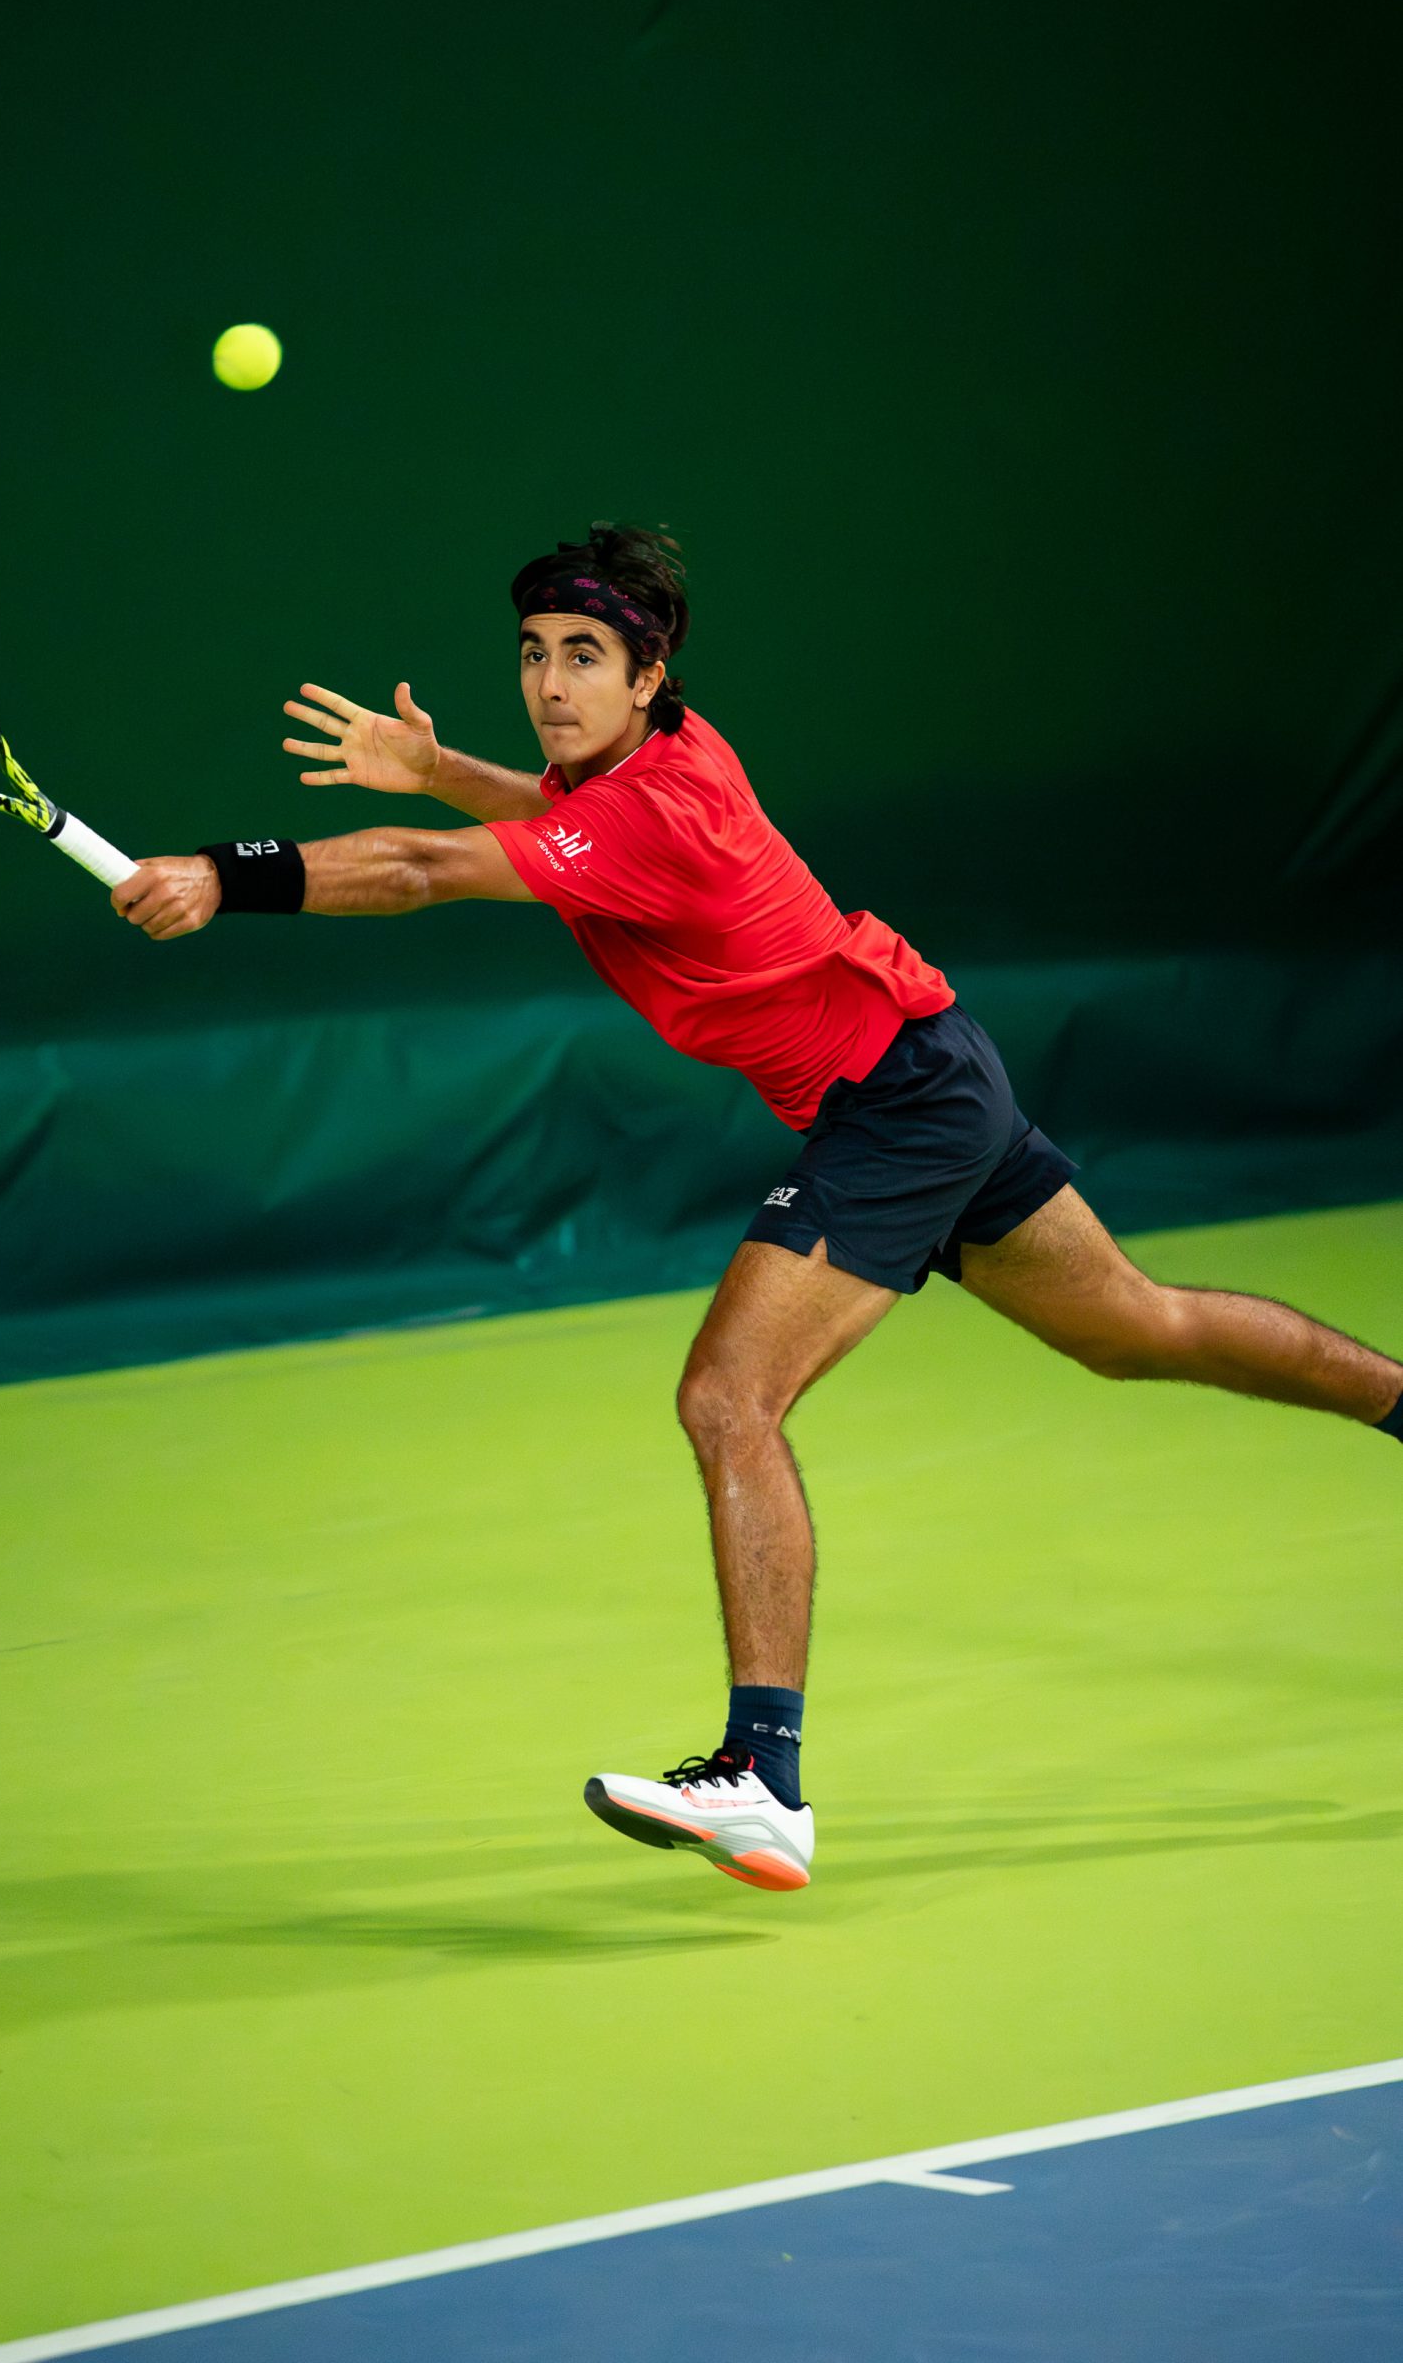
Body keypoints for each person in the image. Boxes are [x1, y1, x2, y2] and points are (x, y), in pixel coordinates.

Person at [112, 522, 1403, 1895]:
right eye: (535, 654)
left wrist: (224, 874)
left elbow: (426, 871)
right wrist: (445, 771)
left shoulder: (646, 811)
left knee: (728, 1398)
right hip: (928, 1060)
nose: (549, 683)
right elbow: (545, 820)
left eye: (585, 657)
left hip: (893, 1105)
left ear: (648, 676)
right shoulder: (651, 760)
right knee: (1134, 1328)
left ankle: (761, 1779)